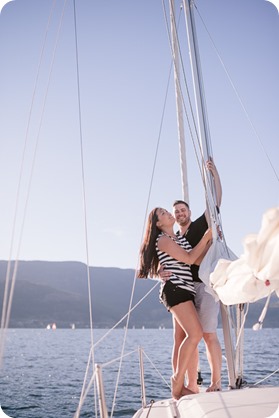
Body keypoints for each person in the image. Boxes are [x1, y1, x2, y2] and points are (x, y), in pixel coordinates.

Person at [137, 207, 212, 400]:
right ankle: (177, 381)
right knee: (195, 334)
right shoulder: (162, 239)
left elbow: (194, 260)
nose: (168, 214)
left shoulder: (178, 239)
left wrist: (211, 244)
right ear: (158, 224)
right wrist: (205, 238)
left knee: (182, 338)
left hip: (185, 290)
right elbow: (188, 258)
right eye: (163, 213)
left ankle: (189, 385)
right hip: (176, 290)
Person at [164, 159, 223, 393]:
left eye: (182, 210)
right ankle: (190, 385)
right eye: (176, 211)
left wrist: (214, 173)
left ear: (188, 211)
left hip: (205, 286)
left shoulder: (200, 225)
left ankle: (216, 382)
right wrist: (160, 271)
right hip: (183, 292)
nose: (179, 213)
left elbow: (216, 200)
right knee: (185, 339)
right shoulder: (174, 239)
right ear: (174, 216)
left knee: (208, 335)